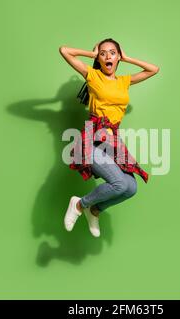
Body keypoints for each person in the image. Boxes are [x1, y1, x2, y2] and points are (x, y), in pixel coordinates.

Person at [59, 38, 159, 237]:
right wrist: (91, 55)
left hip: (113, 141)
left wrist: (127, 57)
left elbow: (153, 69)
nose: (107, 57)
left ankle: (94, 210)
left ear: (118, 57)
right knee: (119, 184)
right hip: (94, 138)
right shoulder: (93, 75)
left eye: (112, 53)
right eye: (103, 53)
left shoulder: (124, 81)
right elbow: (64, 50)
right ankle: (79, 204)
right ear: (99, 57)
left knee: (130, 188)